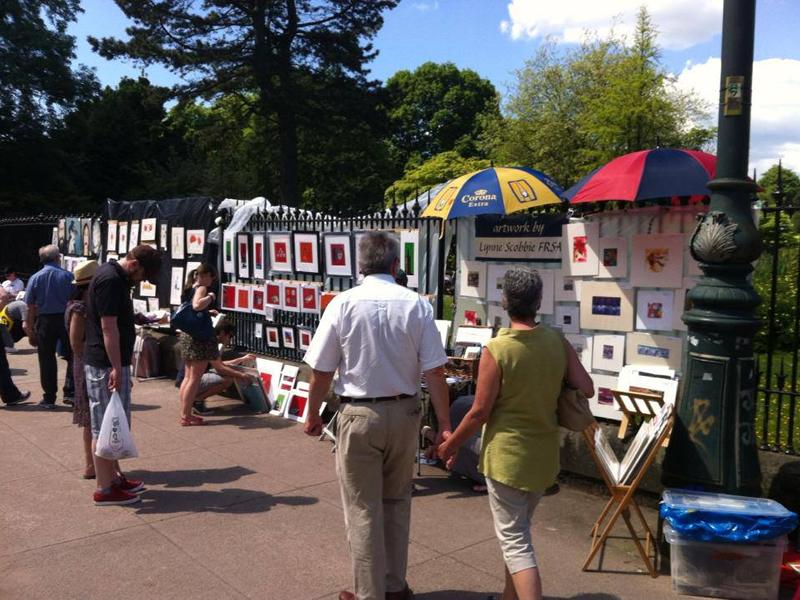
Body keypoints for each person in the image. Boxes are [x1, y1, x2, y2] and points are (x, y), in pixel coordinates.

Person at [303, 232, 452, 600]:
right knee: (397, 502)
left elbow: (321, 370)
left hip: (358, 415)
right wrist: (445, 425)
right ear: (396, 265)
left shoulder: (342, 303)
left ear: (360, 265)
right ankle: (394, 585)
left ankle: (370, 593)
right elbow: (435, 371)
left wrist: (311, 413)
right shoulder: (416, 304)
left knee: (362, 508)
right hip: (405, 412)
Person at [437, 267, 594, 600]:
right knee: (518, 534)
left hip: (507, 459)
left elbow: (479, 411)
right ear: (538, 301)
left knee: (516, 543)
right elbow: (587, 388)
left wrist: (450, 444)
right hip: (542, 457)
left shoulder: (498, 349)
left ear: (505, 301)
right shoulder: (555, 339)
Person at [84, 244, 162, 506]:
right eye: (143, 275)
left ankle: (114, 478)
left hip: (107, 362)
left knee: (114, 422)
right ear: (135, 265)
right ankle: (104, 489)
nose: (141, 280)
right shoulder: (112, 280)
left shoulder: (112, 275)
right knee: (104, 424)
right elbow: (108, 328)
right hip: (104, 364)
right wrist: (117, 367)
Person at [177, 264, 251, 426]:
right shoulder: (202, 289)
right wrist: (210, 297)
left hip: (188, 335)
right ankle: (186, 415)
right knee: (194, 378)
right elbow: (197, 305)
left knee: (188, 377)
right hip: (200, 338)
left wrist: (207, 312)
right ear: (209, 276)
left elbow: (192, 308)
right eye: (211, 277)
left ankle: (184, 412)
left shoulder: (190, 287)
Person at [25, 245, 75, 408]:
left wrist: (30, 328)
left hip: (45, 321)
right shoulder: (68, 276)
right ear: (57, 258)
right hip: (66, 319)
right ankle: (70, 391)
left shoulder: (35, 278)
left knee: (46, 358)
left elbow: (30, 306)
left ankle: (49, 397)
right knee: (73, 355)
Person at [174, 319, 256, 416]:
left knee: (221, 375)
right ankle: (197, 401)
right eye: (230, 336)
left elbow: (218, 363)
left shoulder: (207, 338)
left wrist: (241, 359)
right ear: (222, 333)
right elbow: (220, 368)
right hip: (190, 380)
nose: (229, 339)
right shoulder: (211, 343)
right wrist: (242, 375)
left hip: (182, 380)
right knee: (228, 379)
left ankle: (187, 408)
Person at [66, 259, 99, 479]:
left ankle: (95, 463)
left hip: (89, 361)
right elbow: (75, 342)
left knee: (94, 416)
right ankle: (90, 464)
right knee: (91, 417)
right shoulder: (80, 307)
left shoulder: (83, 303)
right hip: (87, 362)